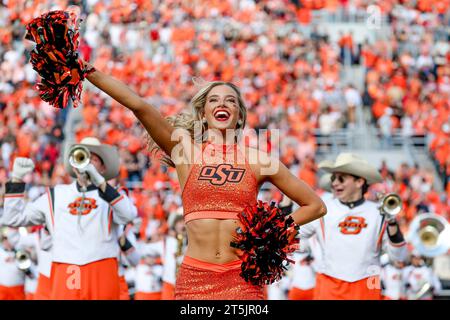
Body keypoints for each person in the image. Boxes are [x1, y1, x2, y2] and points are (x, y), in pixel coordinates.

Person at [82, 61, 327, 300]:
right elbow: (140, 106)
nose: (222, 104)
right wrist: (86, 70)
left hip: (242, 279)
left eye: (230, 100)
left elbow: (315, 206)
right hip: (195, 278)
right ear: (203, 113)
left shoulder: (259, 161)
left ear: (239, 116)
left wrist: (270, 231)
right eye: (214, 100)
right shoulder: (185, 151)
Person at [1, 137, 137, 299]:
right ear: (74, 163)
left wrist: (101, 183)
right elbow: (12, 219)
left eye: (93, 159)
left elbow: (129, 215)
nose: (87, 163)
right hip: (64, 269)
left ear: (103, 167)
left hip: (102, 268)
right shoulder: (56, 193)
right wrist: (16, 180)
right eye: (83, 156)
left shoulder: (113, 193)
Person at [300, 153, 408, 300]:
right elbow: (294, 233)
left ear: (359, 182)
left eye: (341, 178)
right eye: (333, 178)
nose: (335, 183)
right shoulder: (322, 208)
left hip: (368, 285)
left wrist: (392, 222)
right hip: (329, 283)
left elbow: (398, 257)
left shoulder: (378, 212)